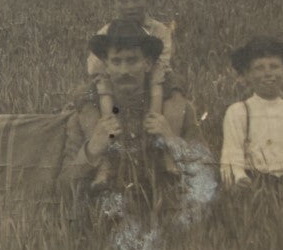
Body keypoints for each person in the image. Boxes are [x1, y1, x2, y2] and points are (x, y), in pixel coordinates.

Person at [61, 20, 209, 219]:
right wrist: (92, 148)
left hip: (166, 217)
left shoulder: (173, 107)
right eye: (116, 61)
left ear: (147, 63)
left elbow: (209, 171)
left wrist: (171, 139)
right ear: (106, 65)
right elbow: (63, 186)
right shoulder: (88, 113)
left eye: (132, 61)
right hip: (107, 222)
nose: (124, 71)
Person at [220, 37, 283, 191]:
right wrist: (240, 179)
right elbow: (231, 157)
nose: (268, 73)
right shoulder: (239, 111)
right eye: (259, 68)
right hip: (254, 184)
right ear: (247, 74)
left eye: (274, 67)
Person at [86, 0, 181, 121]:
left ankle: (157, 124)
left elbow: (160, 65)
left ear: (147, 0)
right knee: (89, 91)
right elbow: (96, 69)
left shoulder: (159, 31)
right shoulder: (106, 33)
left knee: (173, 83)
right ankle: (109, 123)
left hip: (150, 83)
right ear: (114, 3)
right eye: (123, 0)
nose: (130, 6)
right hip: (115, 86)